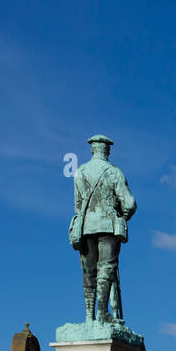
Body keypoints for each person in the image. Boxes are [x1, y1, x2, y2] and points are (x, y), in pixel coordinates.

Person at [70, 134, 136, 322]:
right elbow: (130, 203)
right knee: (106, 269)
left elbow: (77, 205)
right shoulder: (114, 171)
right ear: (107, 151)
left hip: (86, 226)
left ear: (92, 150)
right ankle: (102, 313)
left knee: (89, 270)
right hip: (108, 225)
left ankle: (89, 316)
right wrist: (122, 217)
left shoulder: (80, 172)